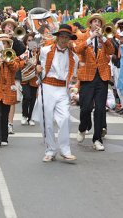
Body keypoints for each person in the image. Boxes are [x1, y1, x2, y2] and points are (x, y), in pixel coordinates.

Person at [32, 24, 79, 162]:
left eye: (67, 37)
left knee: (65, 118)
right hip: (47, 86)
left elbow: (73, 76)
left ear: (70, 39)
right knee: (46, 120)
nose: (64, 39)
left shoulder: (74, 57)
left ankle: (65, 150)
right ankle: (50, 150)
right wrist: (38, 69)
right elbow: (39, 68)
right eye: (62, 36)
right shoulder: (45, 50)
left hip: (62, 89)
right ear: (57, 37)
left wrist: (73, 85)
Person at [75, 14, 115, 151]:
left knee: (100, 109)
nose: (97, 24)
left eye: (99, 22)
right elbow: (78, 49)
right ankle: (82, 128)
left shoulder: (104, 38)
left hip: (102, 77)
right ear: (90, 24)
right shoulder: (84, 36)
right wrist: (90, 38)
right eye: (95, 22)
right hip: (87, 76)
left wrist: (102, 38)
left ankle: (97, 139)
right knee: (85, 107)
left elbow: (112, 51)